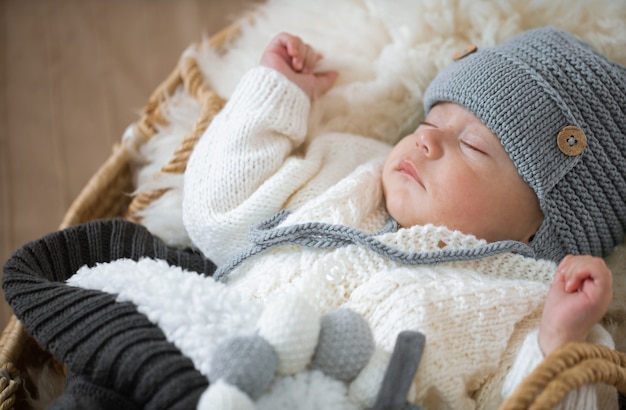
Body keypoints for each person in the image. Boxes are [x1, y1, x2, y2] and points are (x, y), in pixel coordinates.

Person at [182, 27, 626, 408]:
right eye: (429, 123)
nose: (426, 143)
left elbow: (534, 398)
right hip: (197, 351)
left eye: (472, 146)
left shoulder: (523, 304)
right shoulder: (352, 173)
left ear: (541, 228)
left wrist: (557, 342)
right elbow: (217, 215)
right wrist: (276, 93)